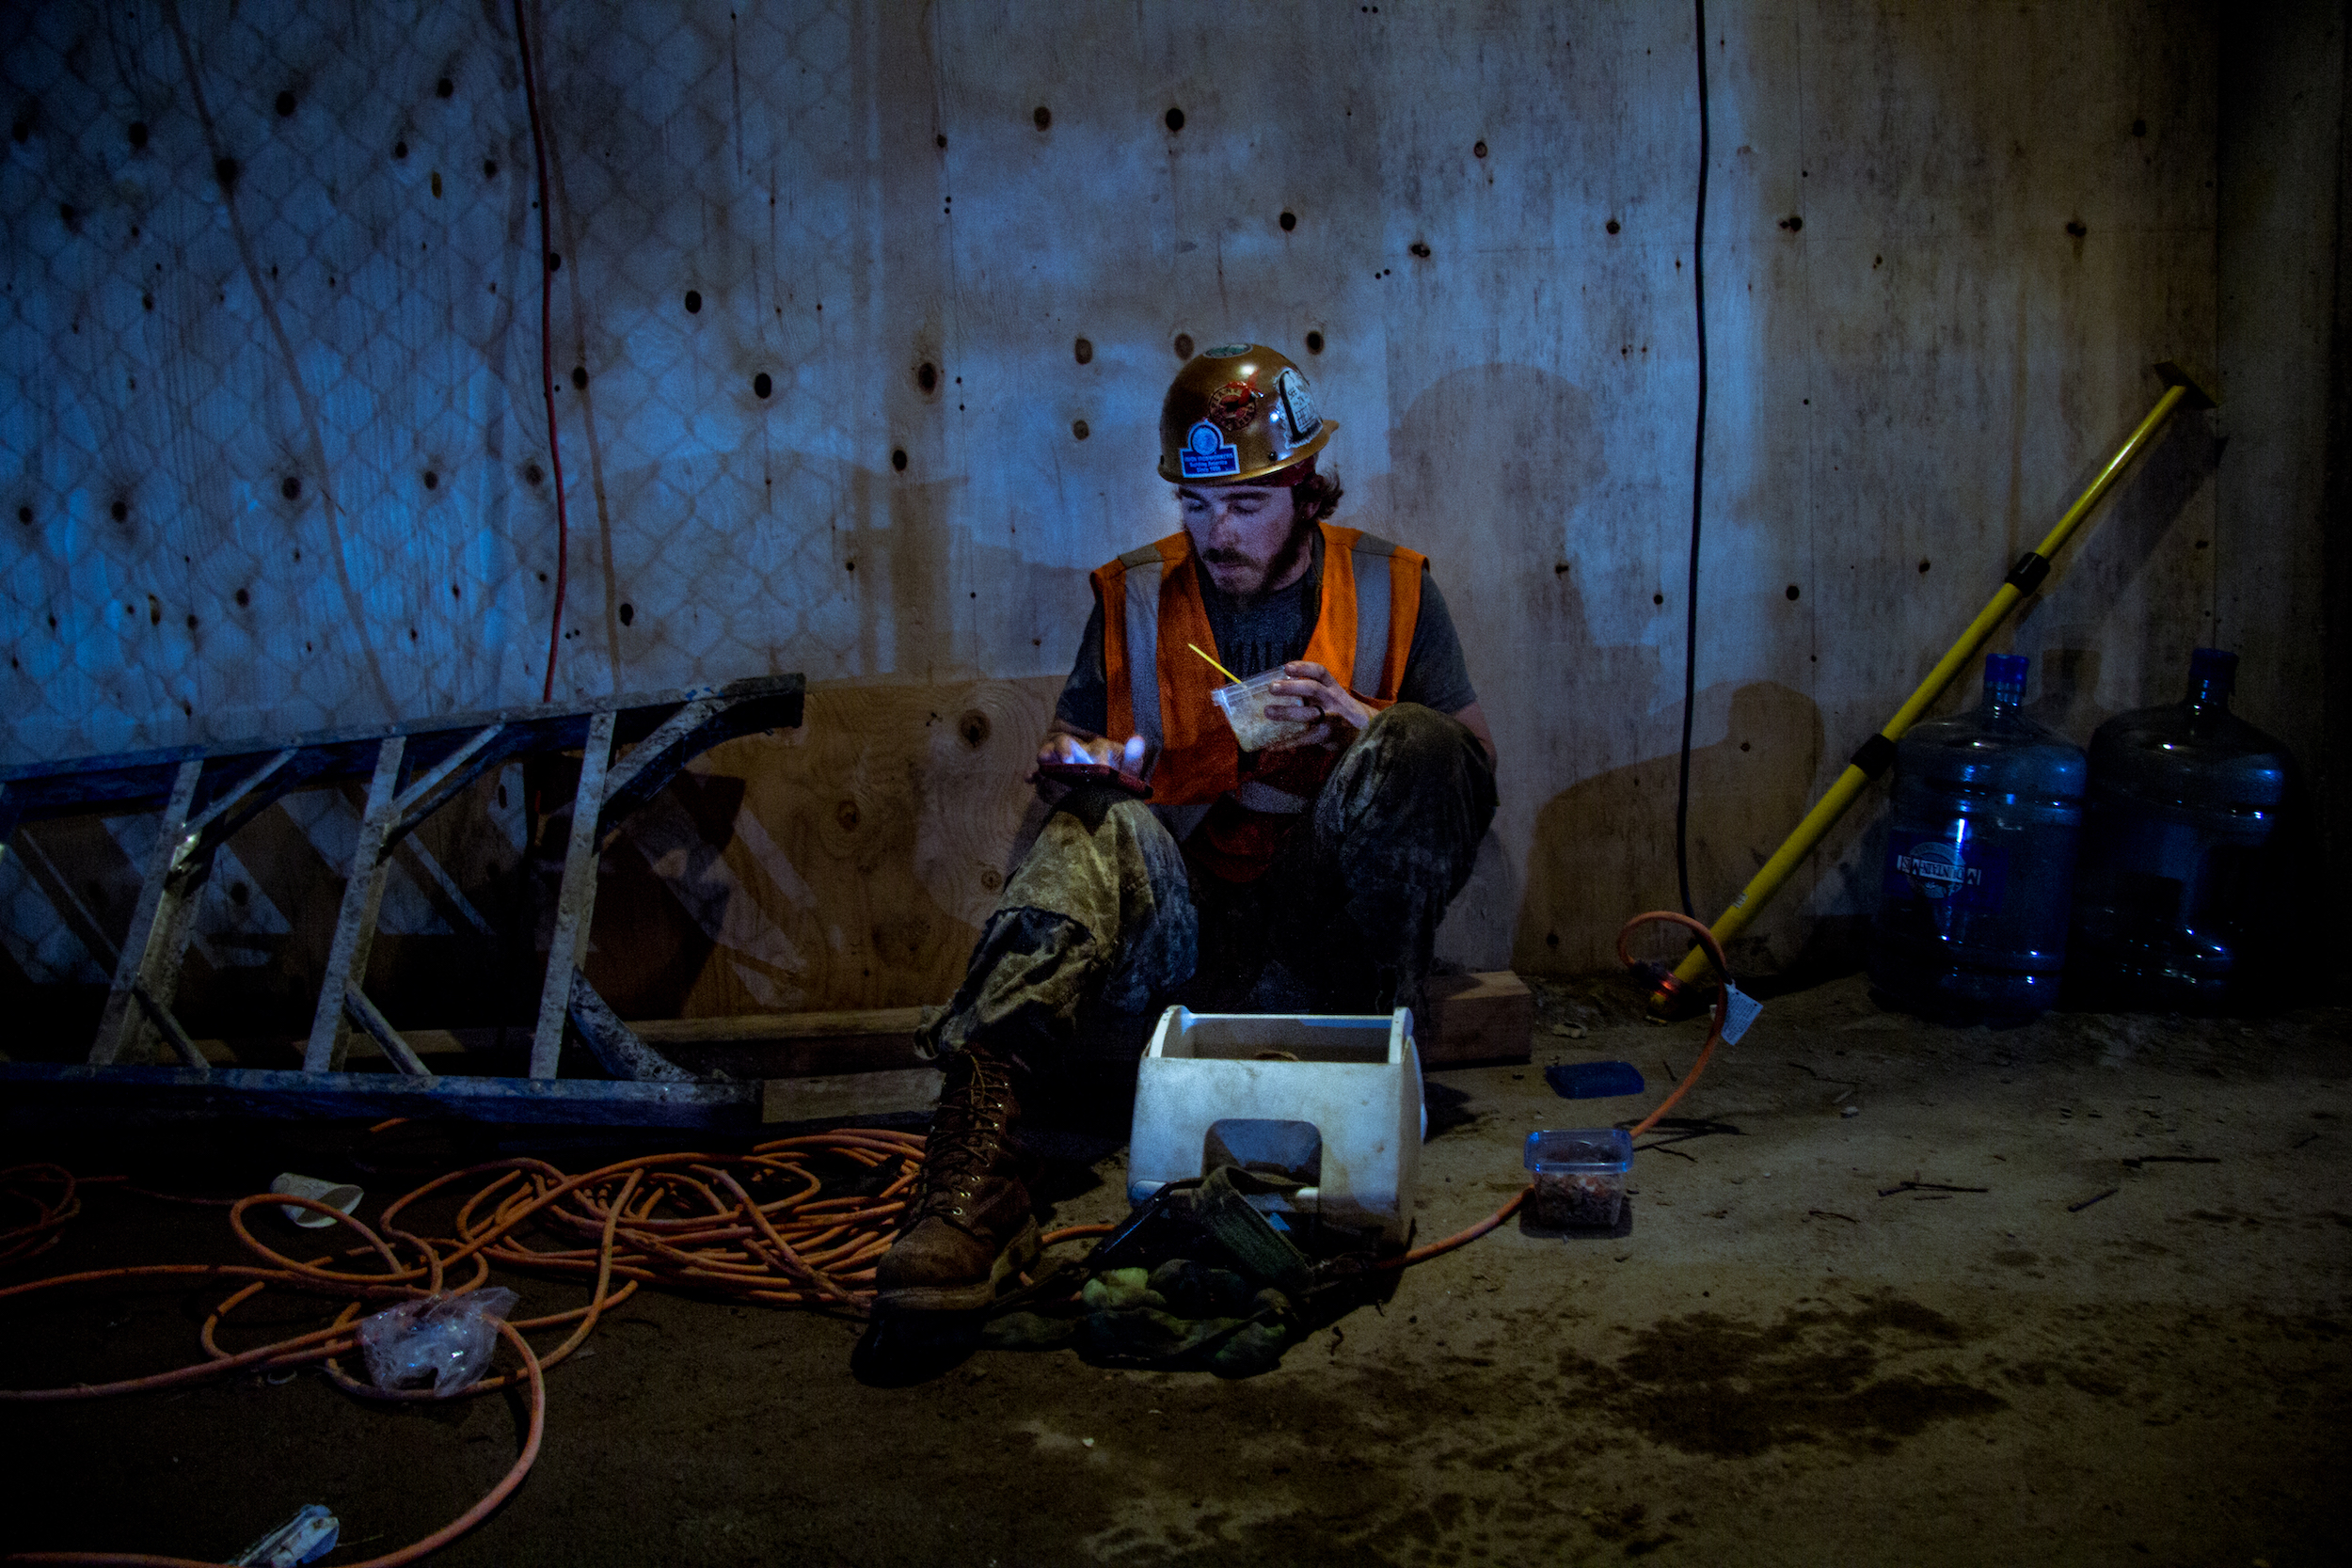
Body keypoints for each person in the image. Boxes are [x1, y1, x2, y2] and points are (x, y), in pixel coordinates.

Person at [873, 342, 1497, 1313]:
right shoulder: (1132, 591)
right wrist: (1088, 762)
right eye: (1197, 506)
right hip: (1182, 925)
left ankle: (1365, 1042)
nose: (1218, 531)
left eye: (1245, 504)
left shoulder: (1393, 583)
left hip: (1331, 932)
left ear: (1303, 488)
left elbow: (1471, 767)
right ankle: (975, 1167)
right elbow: (1074, 745)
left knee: (1414, 741)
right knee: (1091, 823)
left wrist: (1359, 723)